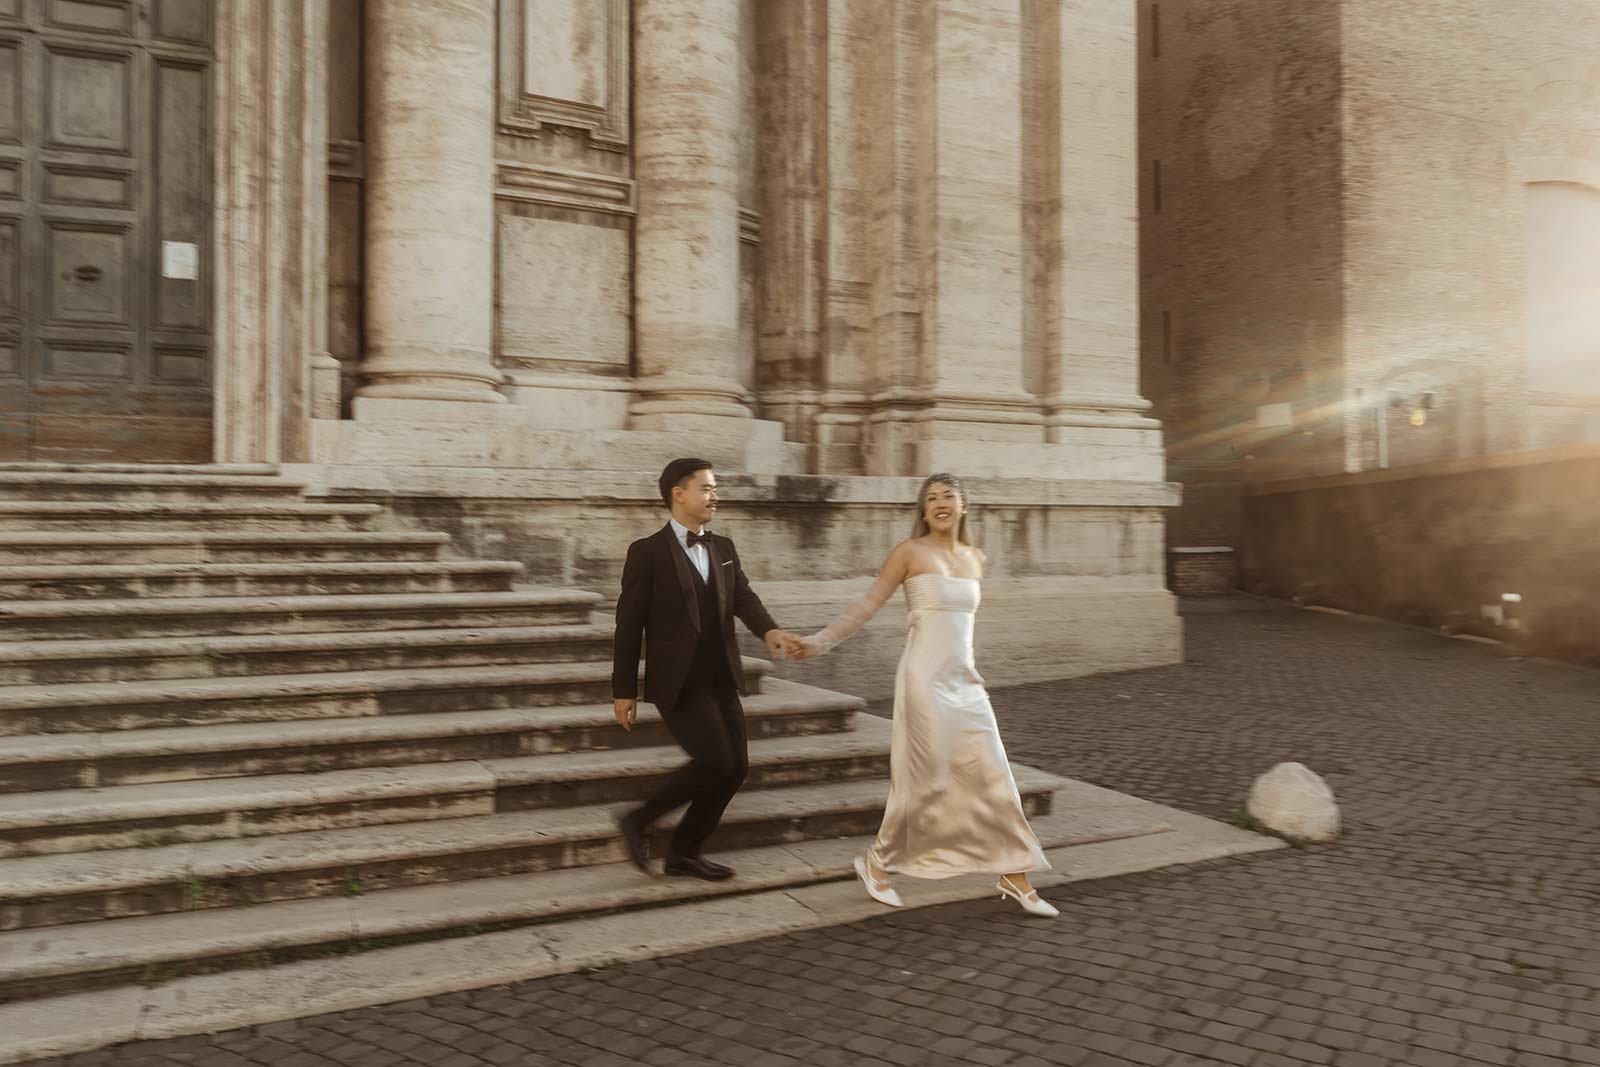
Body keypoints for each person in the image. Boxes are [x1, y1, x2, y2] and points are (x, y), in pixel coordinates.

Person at [791, 473, 1057, 917]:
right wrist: (820, 641)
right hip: (923, 681)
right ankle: (878, 863)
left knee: (993, 774)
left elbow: (962, 628)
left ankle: (1015, 873)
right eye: (930, 498)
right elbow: (867, 605)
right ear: (922, 510)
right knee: (928, 779)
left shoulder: (976, 558)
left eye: (948, 496)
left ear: (963, 506)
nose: (939, 503)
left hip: (965, 682)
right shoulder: (909, 553)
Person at [612, 458, 803, 881]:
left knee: (735, 769)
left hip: (721, 677)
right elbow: (628, 625)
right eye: (707, 488)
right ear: (678, 494)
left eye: (715, 489)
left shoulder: (724, 548)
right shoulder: (647, 552)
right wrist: (622, 689)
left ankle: (684, 853)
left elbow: (743, 598)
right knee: (715, 762)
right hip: (678, 682)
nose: (714, 495)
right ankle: (640, 819)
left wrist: (769, 631)